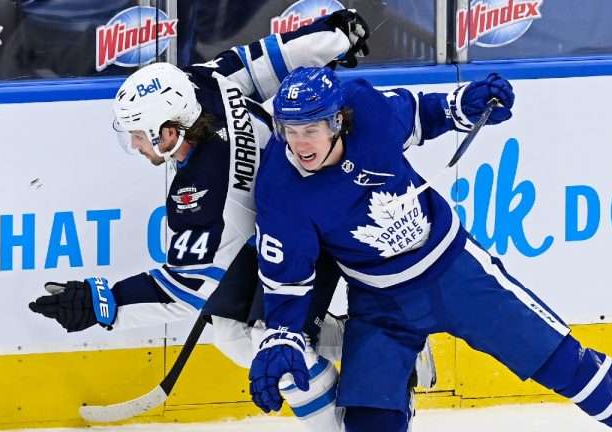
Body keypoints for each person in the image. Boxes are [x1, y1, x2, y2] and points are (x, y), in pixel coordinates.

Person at [249, 66, 612, 432]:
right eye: (291, 131)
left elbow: (419, 114)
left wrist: (466, 103)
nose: (300, 144)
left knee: (560, 361)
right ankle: (403, 373)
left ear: (338, 121)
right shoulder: (279, 189)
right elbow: (289, 276)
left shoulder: (369, 114)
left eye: (311, 129)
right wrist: (282, 333)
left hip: (457, 273)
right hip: (381, 302)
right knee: (369, 422)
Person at [27, 10, 371, 432]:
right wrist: (333, 38)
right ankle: (373, 346)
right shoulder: (199, 87)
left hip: (326, 225)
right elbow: (260, 63)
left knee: (271, 348)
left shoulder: (206, 194)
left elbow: (189, 288)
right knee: (229, 332)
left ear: (170, 132)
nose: (135, 145)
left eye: (139, 134)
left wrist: (105, 303)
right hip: (300, 208)